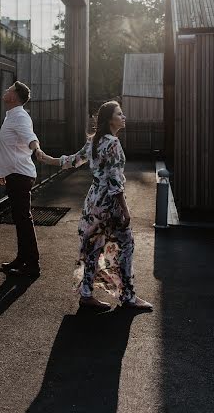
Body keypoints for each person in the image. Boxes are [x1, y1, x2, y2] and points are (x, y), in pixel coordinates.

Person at [40, 101, 153, 311]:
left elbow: (74, 160)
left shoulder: (94, 141)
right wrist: (125, 210)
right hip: (110, 203)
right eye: (120, 114)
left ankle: (86, 295)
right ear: (110, 119)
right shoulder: (113, 144)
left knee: (93, 246)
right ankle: (128, 296)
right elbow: (115, 181)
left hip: (93, 201)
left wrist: (48, 159)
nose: (124, 117)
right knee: (126, 245)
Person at [0, 81, 43, 278]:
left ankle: (33, 265)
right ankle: (22, 259)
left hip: (20, 175)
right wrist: (2, 172)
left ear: (14, 96)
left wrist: (37, 149)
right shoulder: (11, 116)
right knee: (20, 220)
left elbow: (30, 137)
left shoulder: (20, 116)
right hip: (14, 174)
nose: (5, 90)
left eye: (9, 89)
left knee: (23, 220)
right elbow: (7, 148)